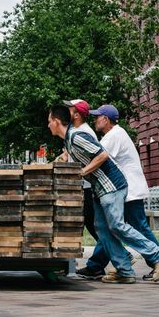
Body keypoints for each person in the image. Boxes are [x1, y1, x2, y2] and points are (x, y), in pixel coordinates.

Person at [48, 104, 159, 283]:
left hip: (111, 185)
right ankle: (124, 270)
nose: (48, 125)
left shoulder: (76, 137)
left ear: (57, 122)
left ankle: (158, 255)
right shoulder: (69, 139)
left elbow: (102, 155)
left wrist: (82, 172)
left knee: (117, 226)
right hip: (99, 188)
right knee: (103, 230)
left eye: (49, 121)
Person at [55, 100, 100, 245]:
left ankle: (122, 256)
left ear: (76, 115)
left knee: (93, 224)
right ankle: (101, 263)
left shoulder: (84, 132)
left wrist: (82, 172)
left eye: (69, 109)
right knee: (91, 224)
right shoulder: (76, 132)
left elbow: (101, 155)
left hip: (87, 185)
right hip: (83, 185)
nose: (66, 112)